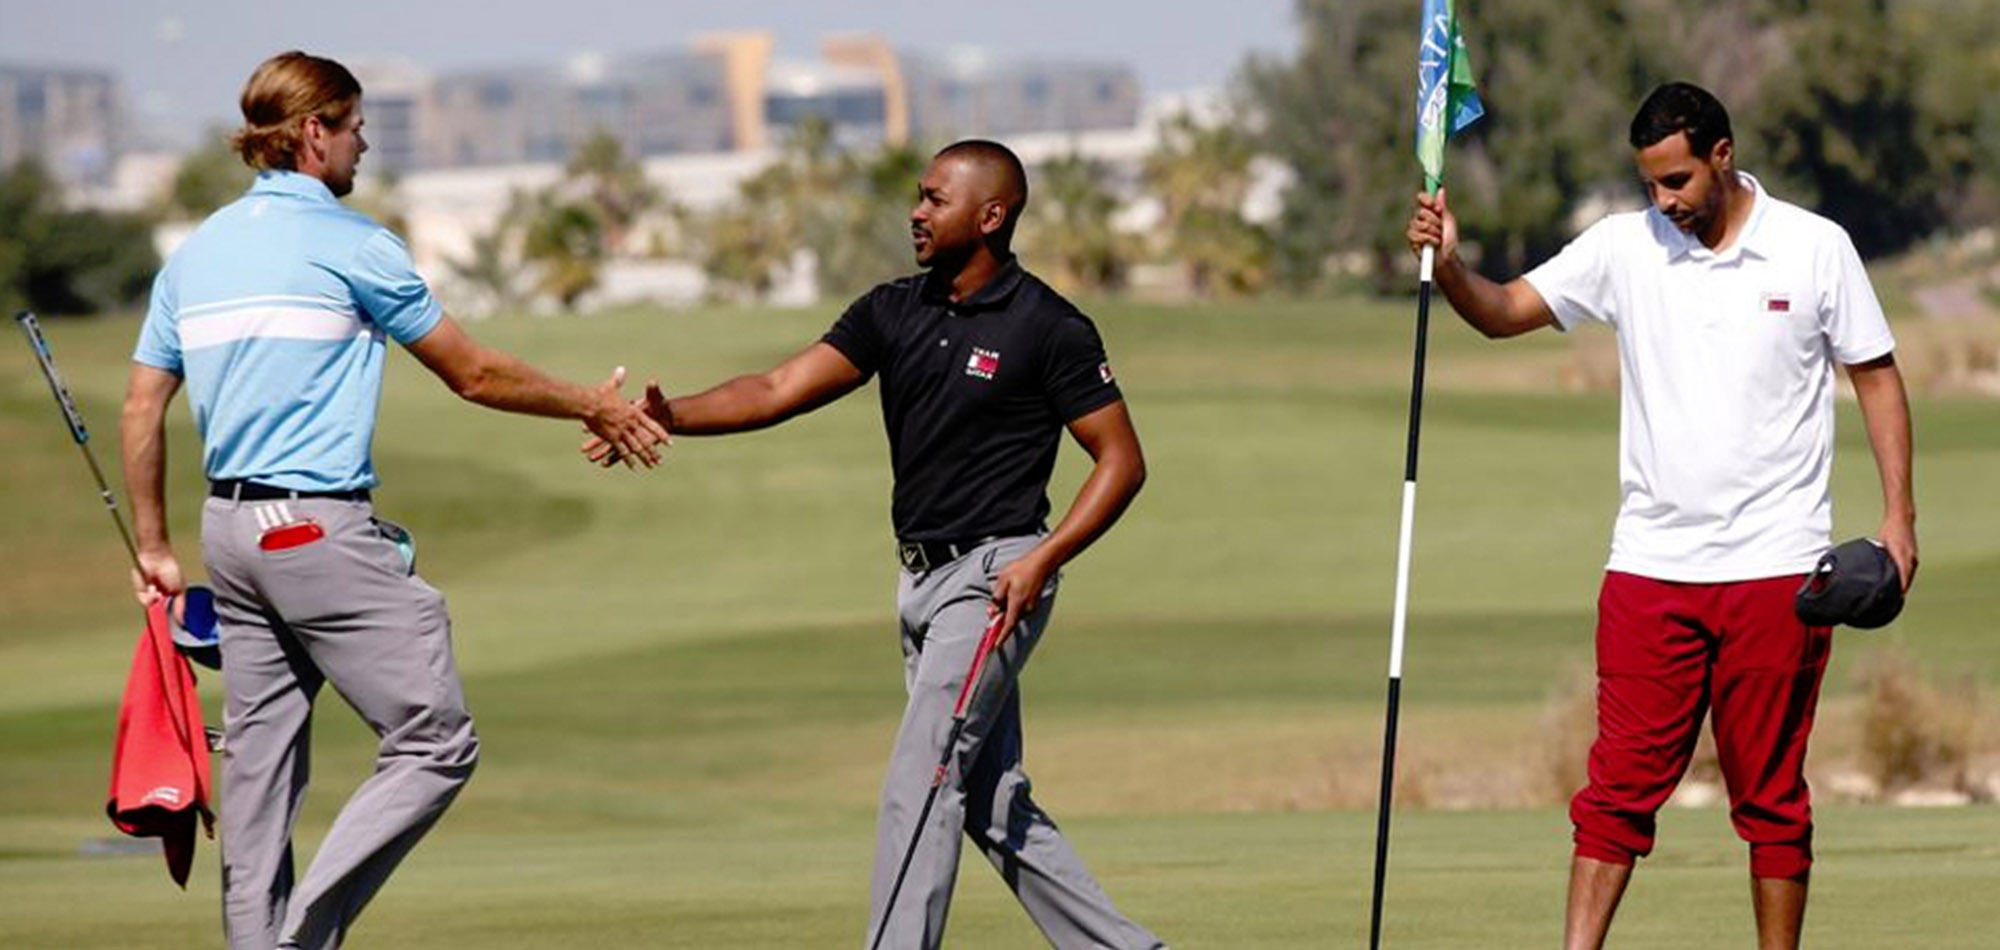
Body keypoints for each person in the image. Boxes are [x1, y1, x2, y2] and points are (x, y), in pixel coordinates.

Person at [119, 51, 668, 950]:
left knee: (259, 775)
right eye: (355, 125)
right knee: (434, 741)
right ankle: (301, 939)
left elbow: (143, 406)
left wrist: (154, 544)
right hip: (313, 529)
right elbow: (476, 373)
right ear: (313, 132)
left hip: (229, 537)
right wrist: (594, 404)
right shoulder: (352, 242)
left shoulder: (196, 254)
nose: (365, 143)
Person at [589, 139, 1166, 950]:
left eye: (936, 199)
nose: (917, 212)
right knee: (988, 800)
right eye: (919, 197)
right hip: (921, 586)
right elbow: (777, 388)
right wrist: (668, 414)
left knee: (919, 782)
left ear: (991, 215)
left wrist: (1045, 558)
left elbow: (1122, 462)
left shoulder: (1049, 327)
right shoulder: (894, 309)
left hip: (997, 579)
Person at [1406, 81, 1917, 950]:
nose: (1664, 202)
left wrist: (1899, 519)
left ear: (1722, 155)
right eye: (1650, 184)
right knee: (1615, 794)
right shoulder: (1623, 247)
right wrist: (1450, 265)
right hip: (1650, 570)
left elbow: (1874, 374)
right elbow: (1502, 315)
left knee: (1771, 799)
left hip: (1777, 570)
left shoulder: (1814, 247)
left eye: (1676, 181)